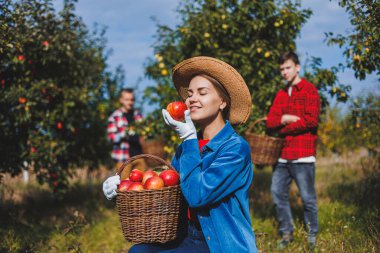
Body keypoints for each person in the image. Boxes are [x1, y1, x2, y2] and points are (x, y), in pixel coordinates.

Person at [103, 56, 258, 252]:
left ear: (222, 102)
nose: (192, 98)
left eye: (202, 93)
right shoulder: (188, 146)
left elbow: (197, 195)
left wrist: (189, 140)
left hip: (218, 242)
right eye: (190, 94)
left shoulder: (235, 148)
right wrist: (124, 188)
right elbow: (168, 187)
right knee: (138, 251)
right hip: (187, 235)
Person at [266, 52, 321, 250]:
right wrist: (285, 119)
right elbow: (270, 121)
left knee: (307, 198)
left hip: (303, 154)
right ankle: (287, 232)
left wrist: (284, 129)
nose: (284, 72)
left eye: (287, 68)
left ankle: (312, 233)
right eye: (281, 69)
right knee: (277, 194)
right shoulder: (281, 94)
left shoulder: (309, 90)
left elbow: (311, 120)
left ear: (297, 67)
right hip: (282, 156)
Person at [107, 88, 145, 177]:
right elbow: (111, 138)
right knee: (124, 186)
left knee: (141, 185)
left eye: (132, 100)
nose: (130, 102)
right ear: (121, 100)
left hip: (139, 156)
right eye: (127, 100)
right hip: (123, 158)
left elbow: (144, 132)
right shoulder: (115, 117)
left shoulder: (137, 115)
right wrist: (123, 134)